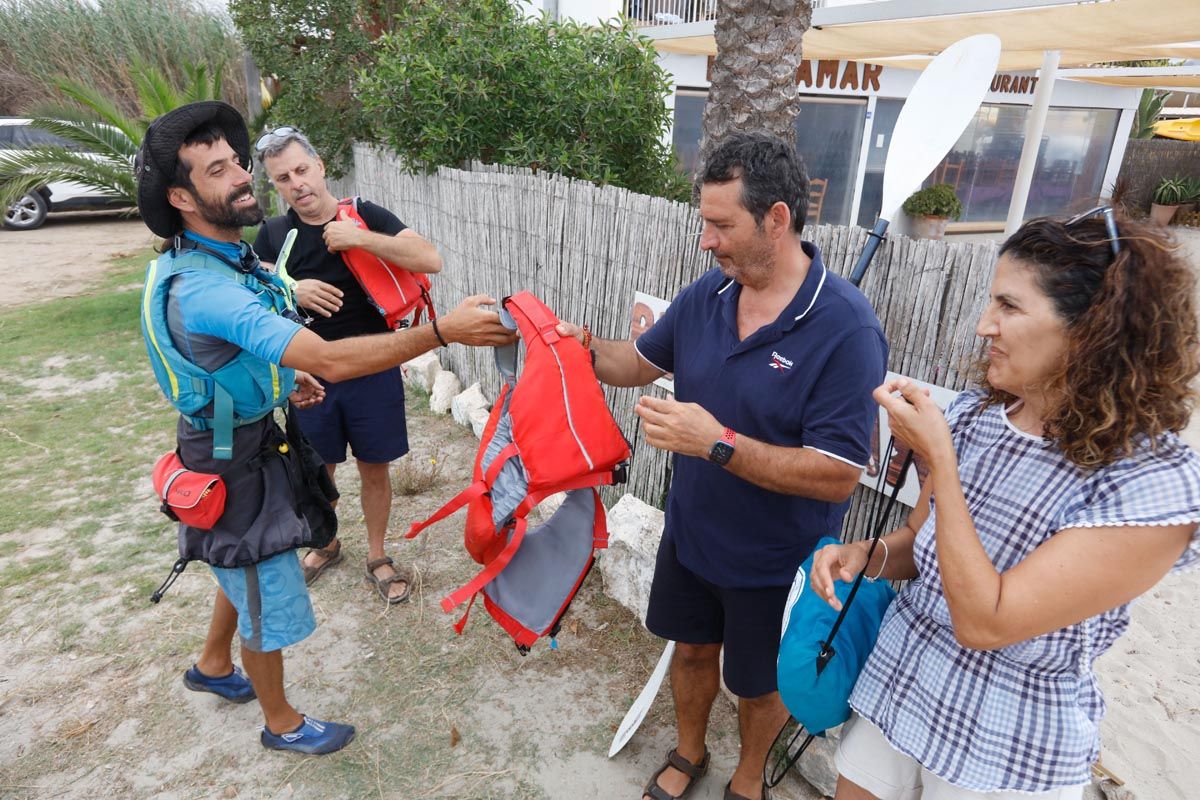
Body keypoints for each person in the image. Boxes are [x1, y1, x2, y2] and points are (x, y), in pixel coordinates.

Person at [136, 101, 514, 755]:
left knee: (243, 558)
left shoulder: (221, 257)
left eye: (237, 161)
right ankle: (280, 722)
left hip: (243, 433)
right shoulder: (206, 288)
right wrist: (441, 331)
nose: (242, 176)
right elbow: (332, 357)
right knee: (257, 570)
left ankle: (213, 665)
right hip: (235, 457)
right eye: (219, 170)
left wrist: (282, 381)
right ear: (181, 196)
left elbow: (248, 352)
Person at [811, 210, 1200, 800]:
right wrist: (864, 554)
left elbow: (987, 621)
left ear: (1096, 325)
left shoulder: (1151, 484)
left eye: (1010, 307)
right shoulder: (974, 417)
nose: (983, 326)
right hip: (905, 680)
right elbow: (922, 544)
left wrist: (940, 460)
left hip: (1007, 736)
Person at [557, 132, 888, 800]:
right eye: (703, 222)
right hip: (694, 531)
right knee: (691, 649)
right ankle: (688, 751)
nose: (706, 240)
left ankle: (747, 775)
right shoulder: (709, 294)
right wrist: (577, 345)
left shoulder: (846, 329)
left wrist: (717, 442)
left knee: (760, 683)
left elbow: (837, 473)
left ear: (776, 219)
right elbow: (635, 363)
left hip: (777, 557)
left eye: (720, 224)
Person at [252, 127, 436, 604]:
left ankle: (378, 555)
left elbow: (428, 258)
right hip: (310, 374)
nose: (297, 184)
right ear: (276, 186)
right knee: (319, 469)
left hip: (373, 367)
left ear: (320, 166)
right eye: (283, 178)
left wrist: (361, 239)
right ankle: (326, 542)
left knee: (375, 468)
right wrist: (292, 288)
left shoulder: (364, 214)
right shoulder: (274, 234)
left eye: (301, 170)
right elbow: (252, 293)